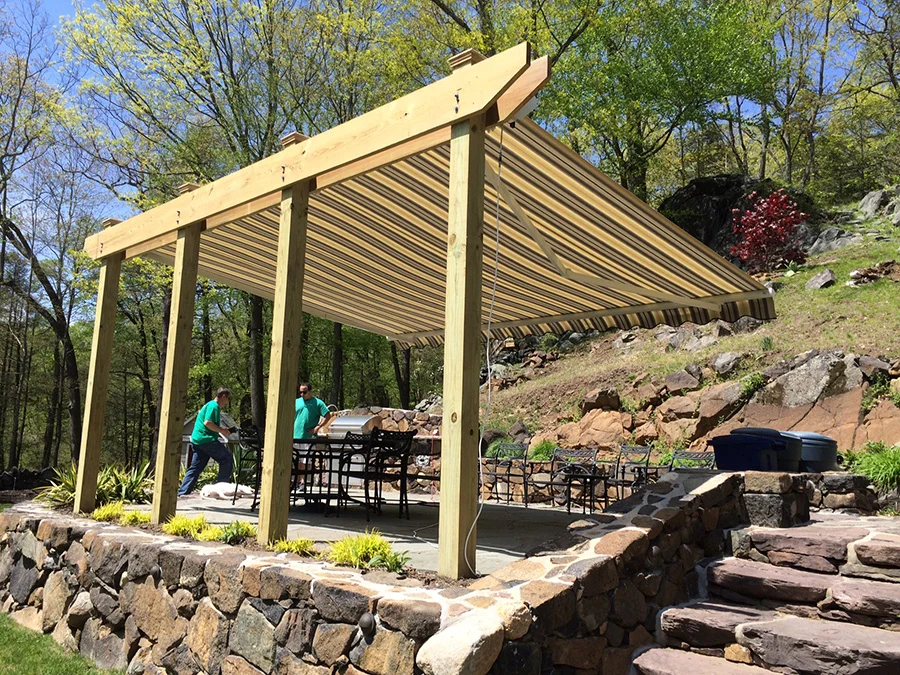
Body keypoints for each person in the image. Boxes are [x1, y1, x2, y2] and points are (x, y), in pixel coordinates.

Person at [179, 387, 237, 497]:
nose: (228, 401)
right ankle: (222, 490)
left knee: (195, 468)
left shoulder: (210, 405)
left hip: (197, 440)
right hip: (206, 439)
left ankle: (182, 493)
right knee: (226, 459)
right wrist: (222, 430)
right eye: (228, 398)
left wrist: (223, 430)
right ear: (223, 397)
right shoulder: (214, 406)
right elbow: (208, 423)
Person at [293, 383, 336, 489]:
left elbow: (327, 415)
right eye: (300, 392)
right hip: (294, 435)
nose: (302, 394)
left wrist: (318, 427)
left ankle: (301, 482)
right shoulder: (296, 402)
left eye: (305, 392)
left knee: (304, 460)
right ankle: (294, 482)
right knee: (295, 460)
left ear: (310, 391)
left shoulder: (318, 403)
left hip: (308, 437)